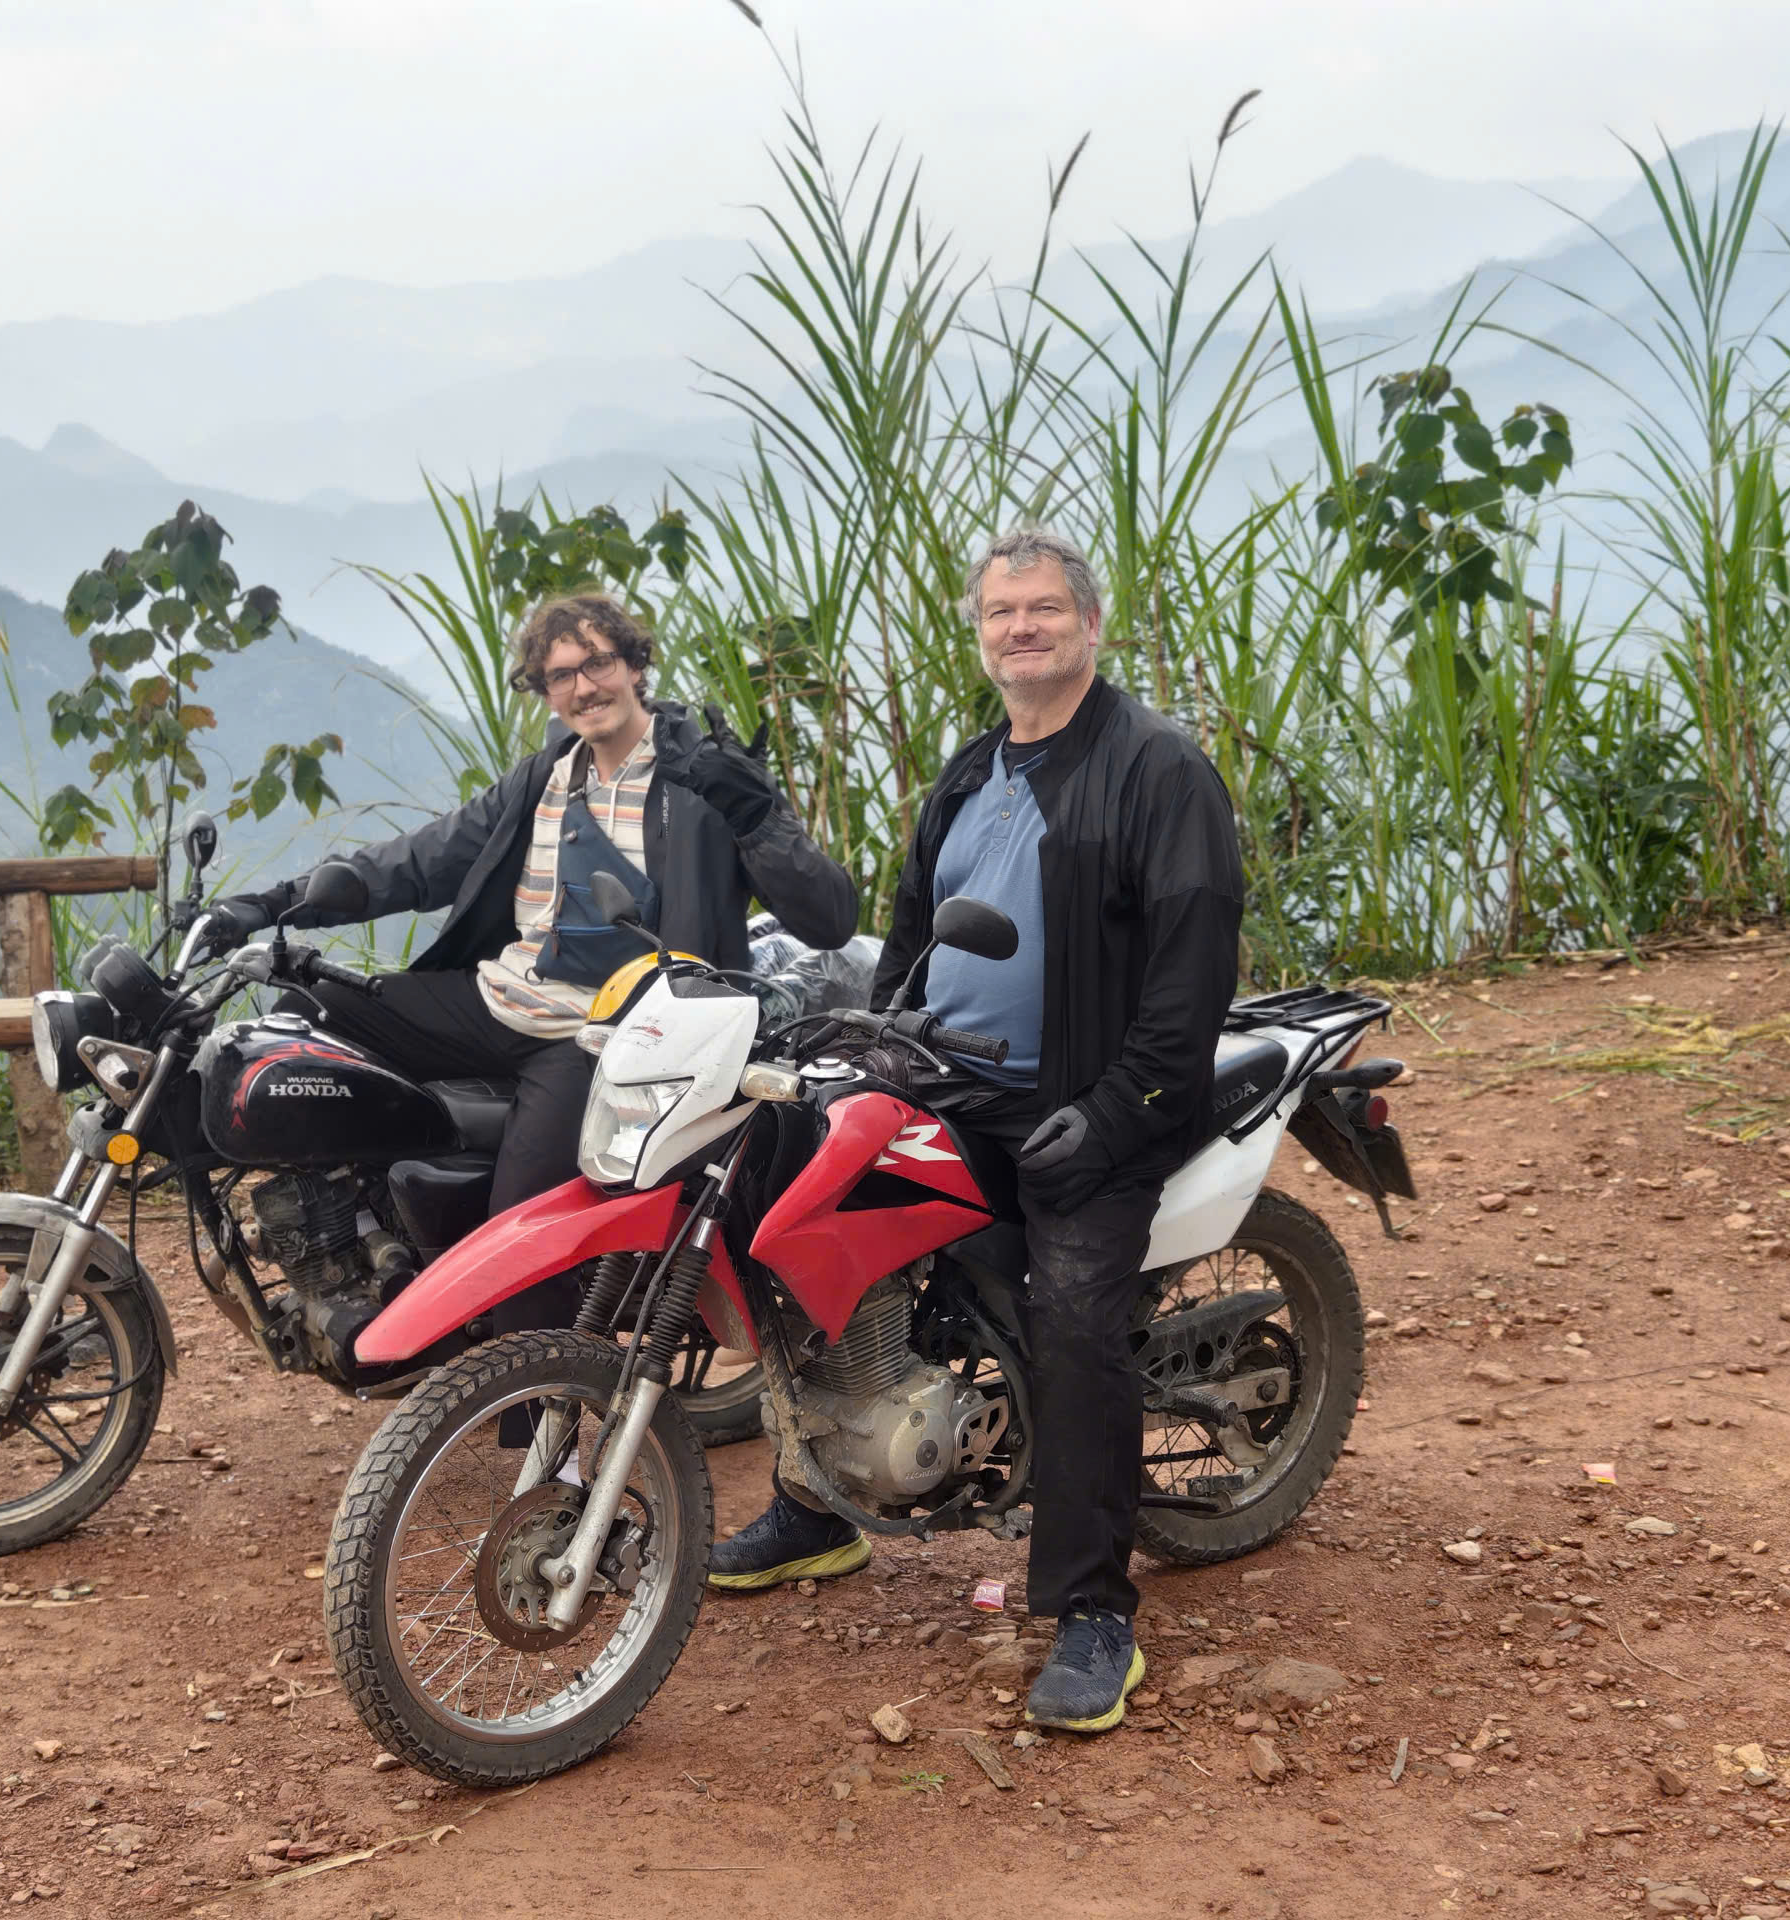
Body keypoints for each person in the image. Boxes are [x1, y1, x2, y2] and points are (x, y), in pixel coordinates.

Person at [705, 526, 1245, 1737]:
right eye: (1002, 613)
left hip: (1094, 1098)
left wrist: (1109, 1116)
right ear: (981, 634)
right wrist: (871, 1039)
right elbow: (908, 935)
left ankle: (1095, 1611)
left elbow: (1189, 982)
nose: (1023, 628)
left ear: (1090, 626)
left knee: (1071, 1318)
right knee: (808, 1238)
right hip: (950, 1078)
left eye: (1046, 608)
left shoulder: (1159, 772)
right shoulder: (970, 770)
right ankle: (815, 1502)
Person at [201, 589, 858, 1331]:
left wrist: (755, 816)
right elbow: (416, 862)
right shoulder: (545, 776)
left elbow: (829, 916)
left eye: (600, 663)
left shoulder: (702, 778)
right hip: (503, 1000)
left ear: (636, 664)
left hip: (611, 1035)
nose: (584, 687)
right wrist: (271, 904)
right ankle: (359, 1246)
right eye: (561, 674)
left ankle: (550, 1435)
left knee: (521, 1240)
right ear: (543, 690)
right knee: (308, 1020)